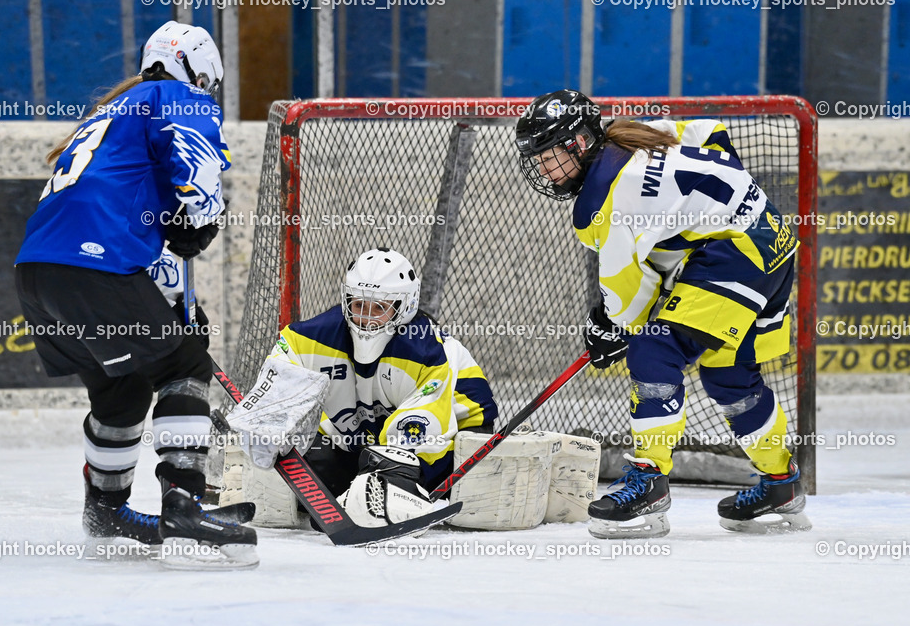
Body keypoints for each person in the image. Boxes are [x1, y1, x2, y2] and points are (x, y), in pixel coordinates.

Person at [514, 89, 811, 538]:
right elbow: (707, 131)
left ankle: (650, 481)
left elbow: (627, 295)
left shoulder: (602, 201)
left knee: (653, 350)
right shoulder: (628, 136)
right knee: (729, 376)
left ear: (577, 144)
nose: (542, 168)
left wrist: (607, 328)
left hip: (735, 254)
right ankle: (781, 484)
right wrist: (714, 207)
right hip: (771, 237)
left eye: (548, 155)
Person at [14, 21, 257, 568]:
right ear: (197, 72)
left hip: (39, 274)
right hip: (91, 268)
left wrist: (170, 307)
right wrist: (201, 215)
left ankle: (107, 510)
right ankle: (185, 504)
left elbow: (114, 224)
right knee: (184, 366)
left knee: (121, 392)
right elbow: (193, 165)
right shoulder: (175, 96)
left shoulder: (108, 117)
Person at [237, 247, 498, 528]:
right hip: (364, 438)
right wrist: (268, 424)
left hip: (453, 438)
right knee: (311, 461)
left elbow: (422, 435)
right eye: (359, 305)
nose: (367, 318)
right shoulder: (306, 339)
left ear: (404, 307)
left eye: (379, 308)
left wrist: (380, 482)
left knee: (392, 473)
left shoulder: (427, 352)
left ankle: (398, 497)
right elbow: (276, 388)